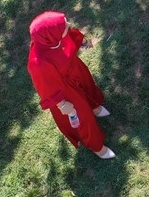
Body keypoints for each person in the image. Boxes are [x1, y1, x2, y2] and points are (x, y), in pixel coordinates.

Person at [26, 11, 115, 159]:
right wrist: (61, 104)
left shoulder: (53, 37)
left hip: (75, 70)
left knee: (89, 88)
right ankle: (98, 147)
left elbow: (70, 37)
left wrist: (83, 42)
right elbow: (46, 87)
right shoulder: (38, 63)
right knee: (82, 118)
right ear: (50, 36)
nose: (68, 25)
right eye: (64, 25)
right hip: (64, 90)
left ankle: (95, 107)